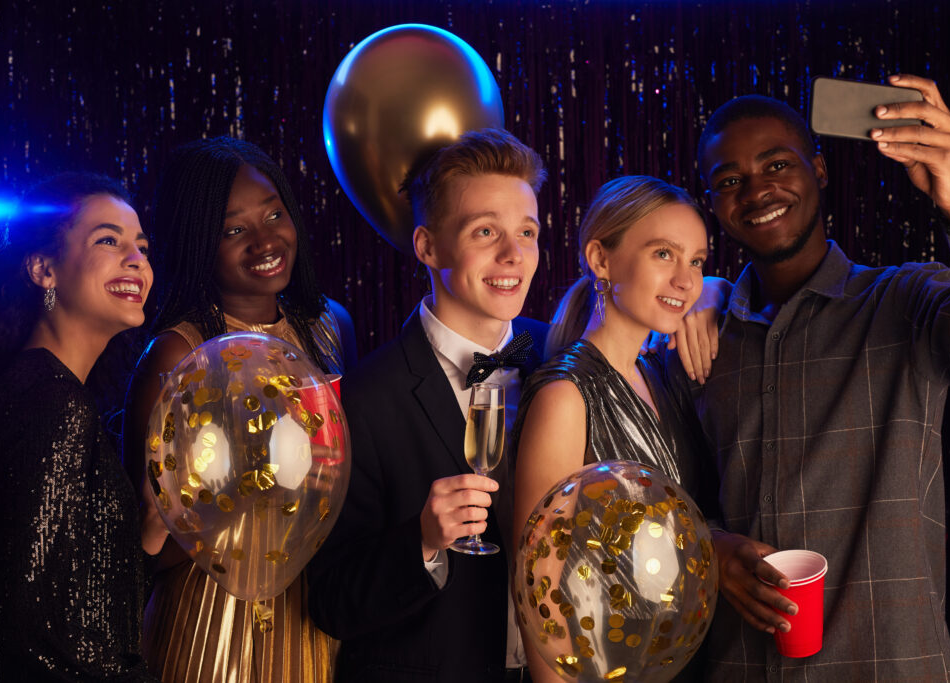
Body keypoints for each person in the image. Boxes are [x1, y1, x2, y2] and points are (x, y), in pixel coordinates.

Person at [692, 75, 950, 680]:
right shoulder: (698, 335)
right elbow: (659, 482)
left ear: (820, 170)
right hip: (739, 665)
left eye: (778, 164)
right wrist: (707, 542)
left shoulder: (905, 300)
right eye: (730, 181)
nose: (758, 190)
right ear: (714, 205)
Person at [307, 128, 548, 682]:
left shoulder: (558, 356)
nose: (513, 255)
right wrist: (421, 542)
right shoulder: (361, 399)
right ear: (428, 246)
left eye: (527, 232)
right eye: (486, 231)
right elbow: (329, 601)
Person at [123, 136, 356, 682]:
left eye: (274, 213)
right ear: (197, 240)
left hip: (313, 606)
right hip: (212, 619)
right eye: (235, 229)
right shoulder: (177, 354)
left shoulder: (327, 328)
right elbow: (145, 551)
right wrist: (244, 490)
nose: (265, 239)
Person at [512, 175, 717, 682]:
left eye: (696, 261)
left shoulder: (663, 379)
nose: (686, 281)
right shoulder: (565, 397)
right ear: (601, 260)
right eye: (664, 254)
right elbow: (539, 592)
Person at [0, 173, 154, 680]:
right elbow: (22, 626)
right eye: (109, 240)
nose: (136, 260)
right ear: (44, 269)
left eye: (141, 246)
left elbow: (86, 595)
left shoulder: (52, 391)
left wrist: (148, 527)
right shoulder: (51, 401)